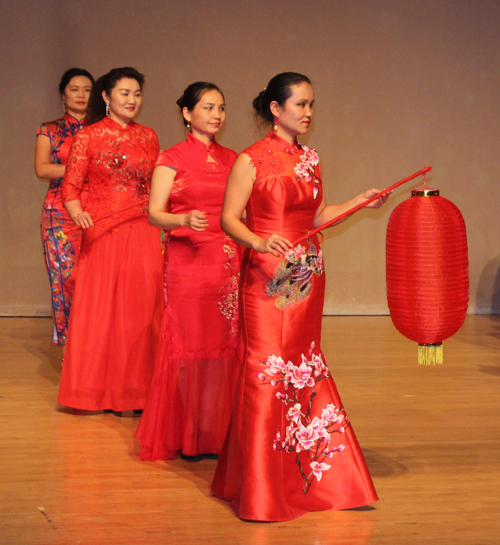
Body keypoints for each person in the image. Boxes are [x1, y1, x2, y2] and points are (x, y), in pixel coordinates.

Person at [211, 72, 389, 521]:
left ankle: (310, 478)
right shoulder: (250, 160)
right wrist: (256, 241)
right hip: (266, 275)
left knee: (303, 364)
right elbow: (229, 219)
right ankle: (260, 486)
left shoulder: (311, 158)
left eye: (312, 105)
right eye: (300, 104)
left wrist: (359, 202)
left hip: (306, 271)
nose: (308, 113)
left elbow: (319, 215)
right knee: (267, 368)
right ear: (276, 108)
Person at [136, 82, 241, 460]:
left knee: (225, 348)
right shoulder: (171, 158)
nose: (216, 115)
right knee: (187, 344)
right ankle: (186, 434)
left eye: (222, 108)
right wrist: (183, 218)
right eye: (209, 107)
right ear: (187, 113)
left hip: (228, 263)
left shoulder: (234, 159)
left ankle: (217, 433)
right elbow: (153, 213)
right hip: (187, 261)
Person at [57, 67, 163, 414]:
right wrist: (77, 214)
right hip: (102, 228)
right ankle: (94, 392)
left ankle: (133, 393)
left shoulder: (149, 135)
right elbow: (70, 187)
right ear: (106, 97)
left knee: (138, 309)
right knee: (100, 311)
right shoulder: (87, 136)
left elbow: (152, 187)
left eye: (137, 94)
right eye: (124, 93)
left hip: (143, 229)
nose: (132, 100)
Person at [35, 68, 94, 347]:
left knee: (95, 281)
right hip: (58, 214)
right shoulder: (50, 129)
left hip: (96, 211)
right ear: (63, 94)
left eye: (87, 89)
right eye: (74, 89)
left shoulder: (101, 130)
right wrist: (79, 169)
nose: (81, 95)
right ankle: (70, 346)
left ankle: (94, 347)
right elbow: (42, 168)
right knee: (65, 279)